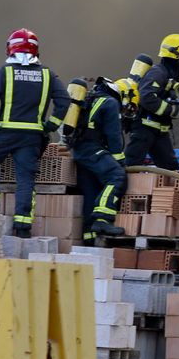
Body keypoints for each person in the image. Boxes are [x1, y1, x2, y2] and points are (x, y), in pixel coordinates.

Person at [0, 28, 68, 237]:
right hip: (32, 137)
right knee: (26, 179)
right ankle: (23, 226)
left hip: (5, 134)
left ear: (10, 48)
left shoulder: (4, 72)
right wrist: (50, 125)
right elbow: (64, 101)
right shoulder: (48, 74)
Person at [124, 33, 179, 171]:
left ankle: (169, 192)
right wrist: (170, 110)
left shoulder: (175, 77)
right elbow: (146, 97)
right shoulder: (158, 73)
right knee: (130, 167)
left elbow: (175, 99)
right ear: (176, 56)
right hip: (144, 129)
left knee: (172, 171)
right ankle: (118, 190)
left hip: (160, 131)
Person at [69, 77, 127, 246]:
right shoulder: (110, 103)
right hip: (92, 150)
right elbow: (114, 136)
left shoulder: (91, 98)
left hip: (79, 151)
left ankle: (89, 236)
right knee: (116, 176)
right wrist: (120, 161)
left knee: (91, 191)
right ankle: (103, 219)